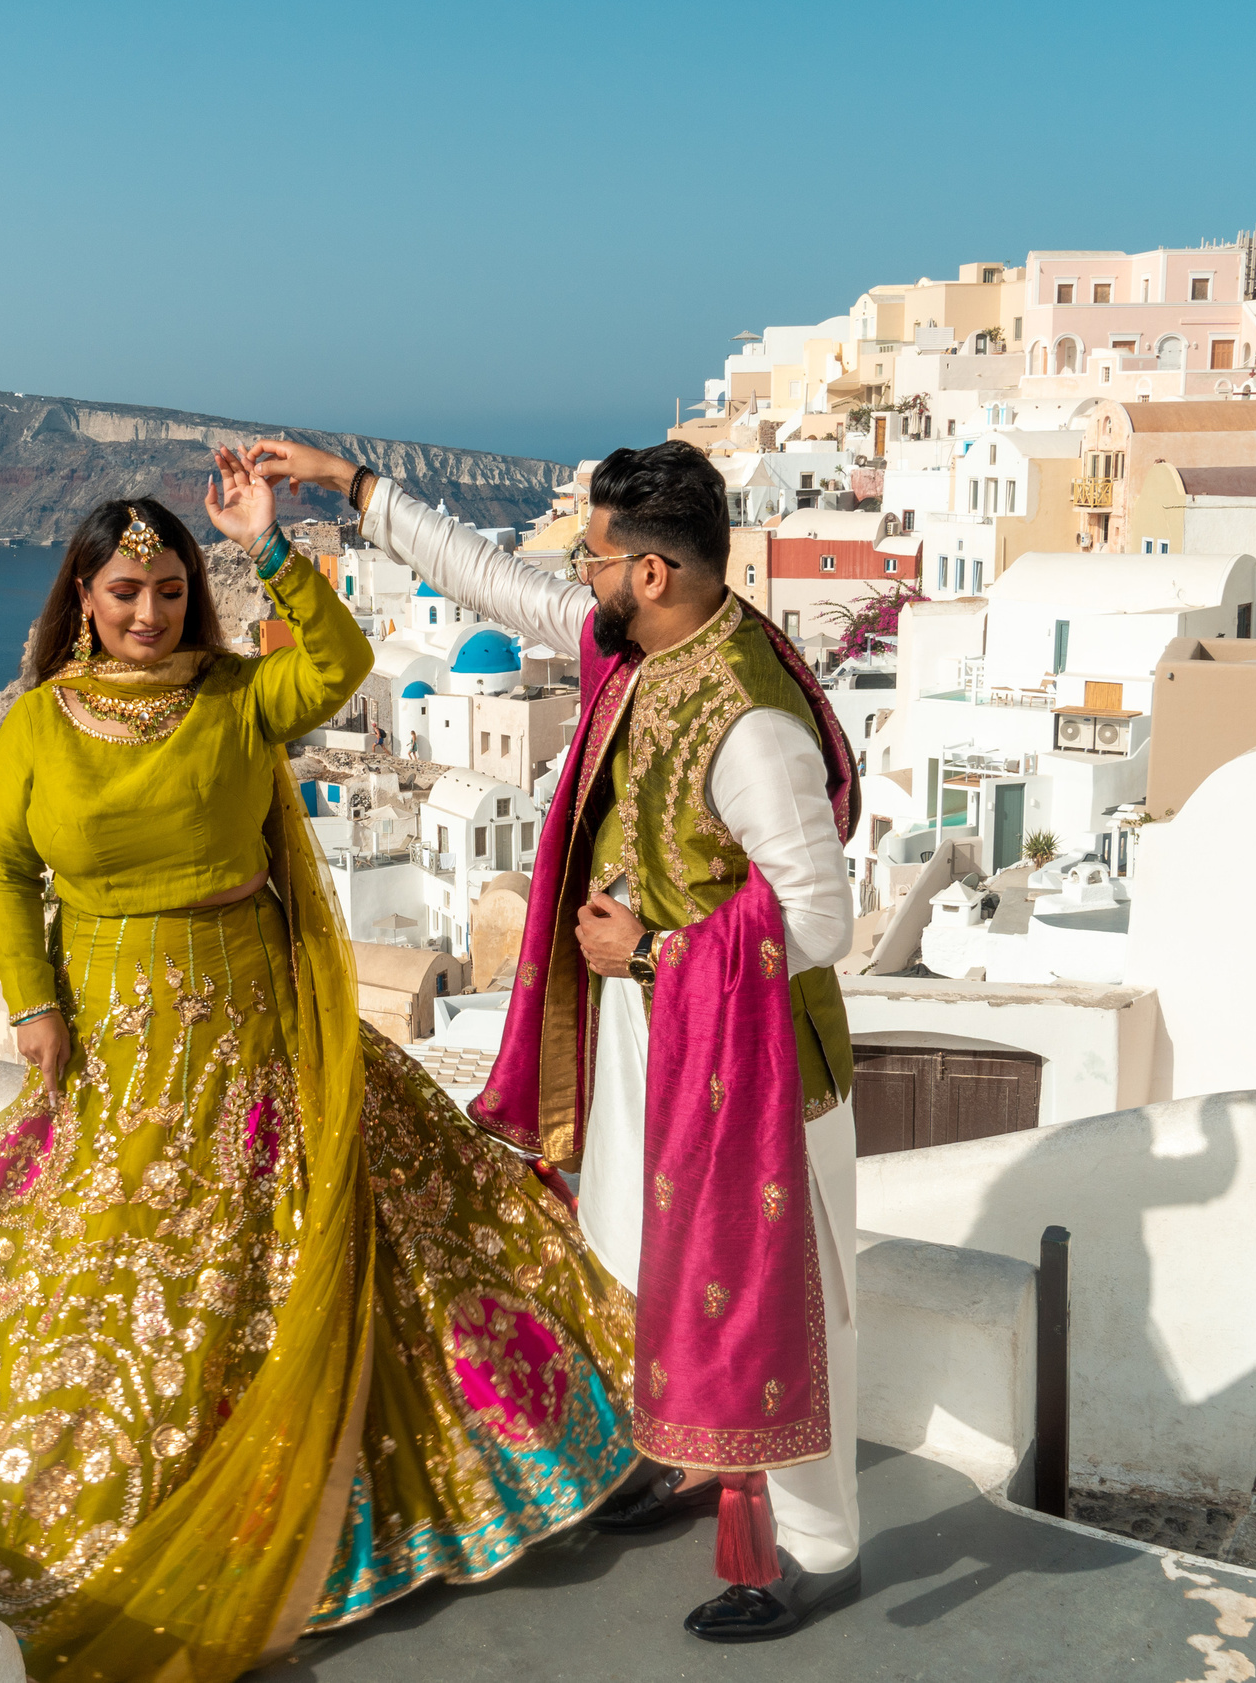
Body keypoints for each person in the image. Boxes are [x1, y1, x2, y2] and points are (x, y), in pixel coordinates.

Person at [0, 449, 636, 1683]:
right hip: (112, 1020)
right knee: (113, 1256)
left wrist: (268, 542)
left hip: (256, 1009)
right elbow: (5, 869)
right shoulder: (38, 723)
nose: (147, 614)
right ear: (82, 599)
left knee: (306, 1234)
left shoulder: (236, 695)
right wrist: (33, 1004)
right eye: (123, 593)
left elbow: (338, 665)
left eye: (166, 593)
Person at [246, 437, 862, 1642]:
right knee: (647, 1262)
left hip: (755, 1064)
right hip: (653, 1033)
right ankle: (690, 1454)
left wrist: (655, 953)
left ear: (650, 574)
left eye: (594, 559)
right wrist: (353, 487)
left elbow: (821, 919)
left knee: (791, 1306)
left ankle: (821, 1549)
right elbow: (497, 584)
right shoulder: (639, 648)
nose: (579, 577)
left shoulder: (750, 725)